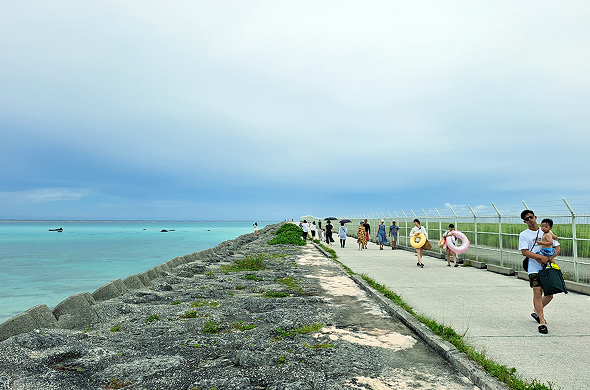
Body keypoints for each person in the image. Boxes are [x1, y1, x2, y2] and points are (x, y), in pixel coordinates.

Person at [519, 210, 560, 334]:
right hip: (533, 267)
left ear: (535, 217)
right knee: (537, 291)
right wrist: (539, 257)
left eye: (531, 217)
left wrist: (549, 258)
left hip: (547, 267)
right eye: (526, 219)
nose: (529, 220)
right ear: (524, 222)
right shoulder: (524, 234)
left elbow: (557, 248)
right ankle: (542, 322)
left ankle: (536, 310)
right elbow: (524, 252)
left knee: (550, 295)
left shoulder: (546, 231)